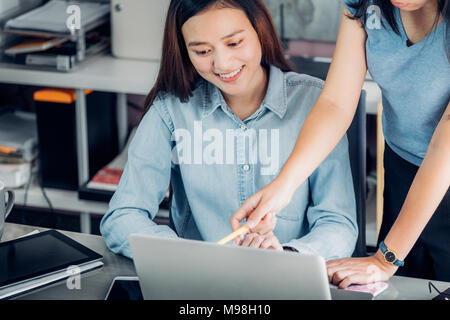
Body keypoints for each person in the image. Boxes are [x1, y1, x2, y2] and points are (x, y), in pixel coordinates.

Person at [100, 0, 358, 261]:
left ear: (260, 29)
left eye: (234, 43)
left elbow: (338, 225)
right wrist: (184, 255)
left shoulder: (317, 105)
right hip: (197, 285)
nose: (222, 64)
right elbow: (122, 216)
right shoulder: (170, 110)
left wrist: (289, 257)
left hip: (290, 281)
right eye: (202, 51)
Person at [231, 0, 450, 287]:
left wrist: (385, 259)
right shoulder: (364, 5)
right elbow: (336, 103)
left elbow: (444, 144)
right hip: (403, 175)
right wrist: (283, 186)